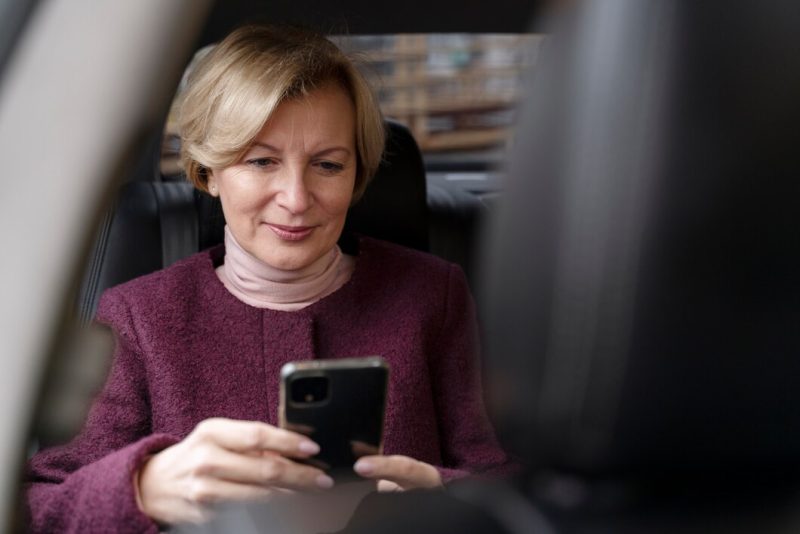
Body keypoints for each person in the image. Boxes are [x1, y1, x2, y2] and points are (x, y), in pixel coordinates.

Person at [25, 25, 512, 532]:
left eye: (327, 165)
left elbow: (508, 486)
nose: (297, 199)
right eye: (261, 161)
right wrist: (142, 487)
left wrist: (441, 496)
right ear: (208, 172)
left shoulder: (434, 295)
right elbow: (35, 508)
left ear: (357, 174)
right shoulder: (140, 316)